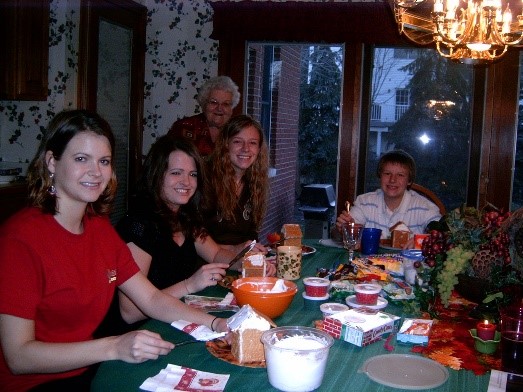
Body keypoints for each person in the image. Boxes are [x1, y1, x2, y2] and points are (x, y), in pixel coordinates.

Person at [0, 110, 229, 391]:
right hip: (36, 384)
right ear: (51, 162)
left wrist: (218, 325)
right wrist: (113, 347)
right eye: (81, 159)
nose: (96, 172)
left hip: (94, 368)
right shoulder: (20, 238)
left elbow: (153, 299)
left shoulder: (99, 228)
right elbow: (18, 357)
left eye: (104, 161)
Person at [98, 135, 250, 336]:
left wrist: (246, 262)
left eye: (193, 174)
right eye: (176, 173)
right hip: (135, 336)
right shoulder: (138, 226)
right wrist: (190, 285)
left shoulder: (185, 216)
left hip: (173, 321)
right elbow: (131, 312)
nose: (186, 182)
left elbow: (215, 254)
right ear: (157, 175)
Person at [335, 150, 442, 246]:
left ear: (409, 181)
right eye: (387, 173)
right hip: (369, 265)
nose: (392, 180)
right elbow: (343, 235)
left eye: (400, 175)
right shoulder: (364, 202)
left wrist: (421, 240)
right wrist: (343, 230)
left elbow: (442, 233)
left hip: (410, 266)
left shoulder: (424, 207)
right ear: (380, 176)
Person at [204, 114, 269, 248]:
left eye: (252, 143)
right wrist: (234, 249)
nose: (246, 148)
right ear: (226, 144)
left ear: (258, 149)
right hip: (206, 263)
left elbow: (251, 235)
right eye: (238, 141)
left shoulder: (254, 183)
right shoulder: (205, 179)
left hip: (239, 262)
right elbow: (193, 237)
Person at [167, 76, 240, 157]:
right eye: (213, 102)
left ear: (231, 108)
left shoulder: (237, 132)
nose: (219, 108)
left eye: (226, 104)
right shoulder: (184, 127)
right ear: (204, 104)